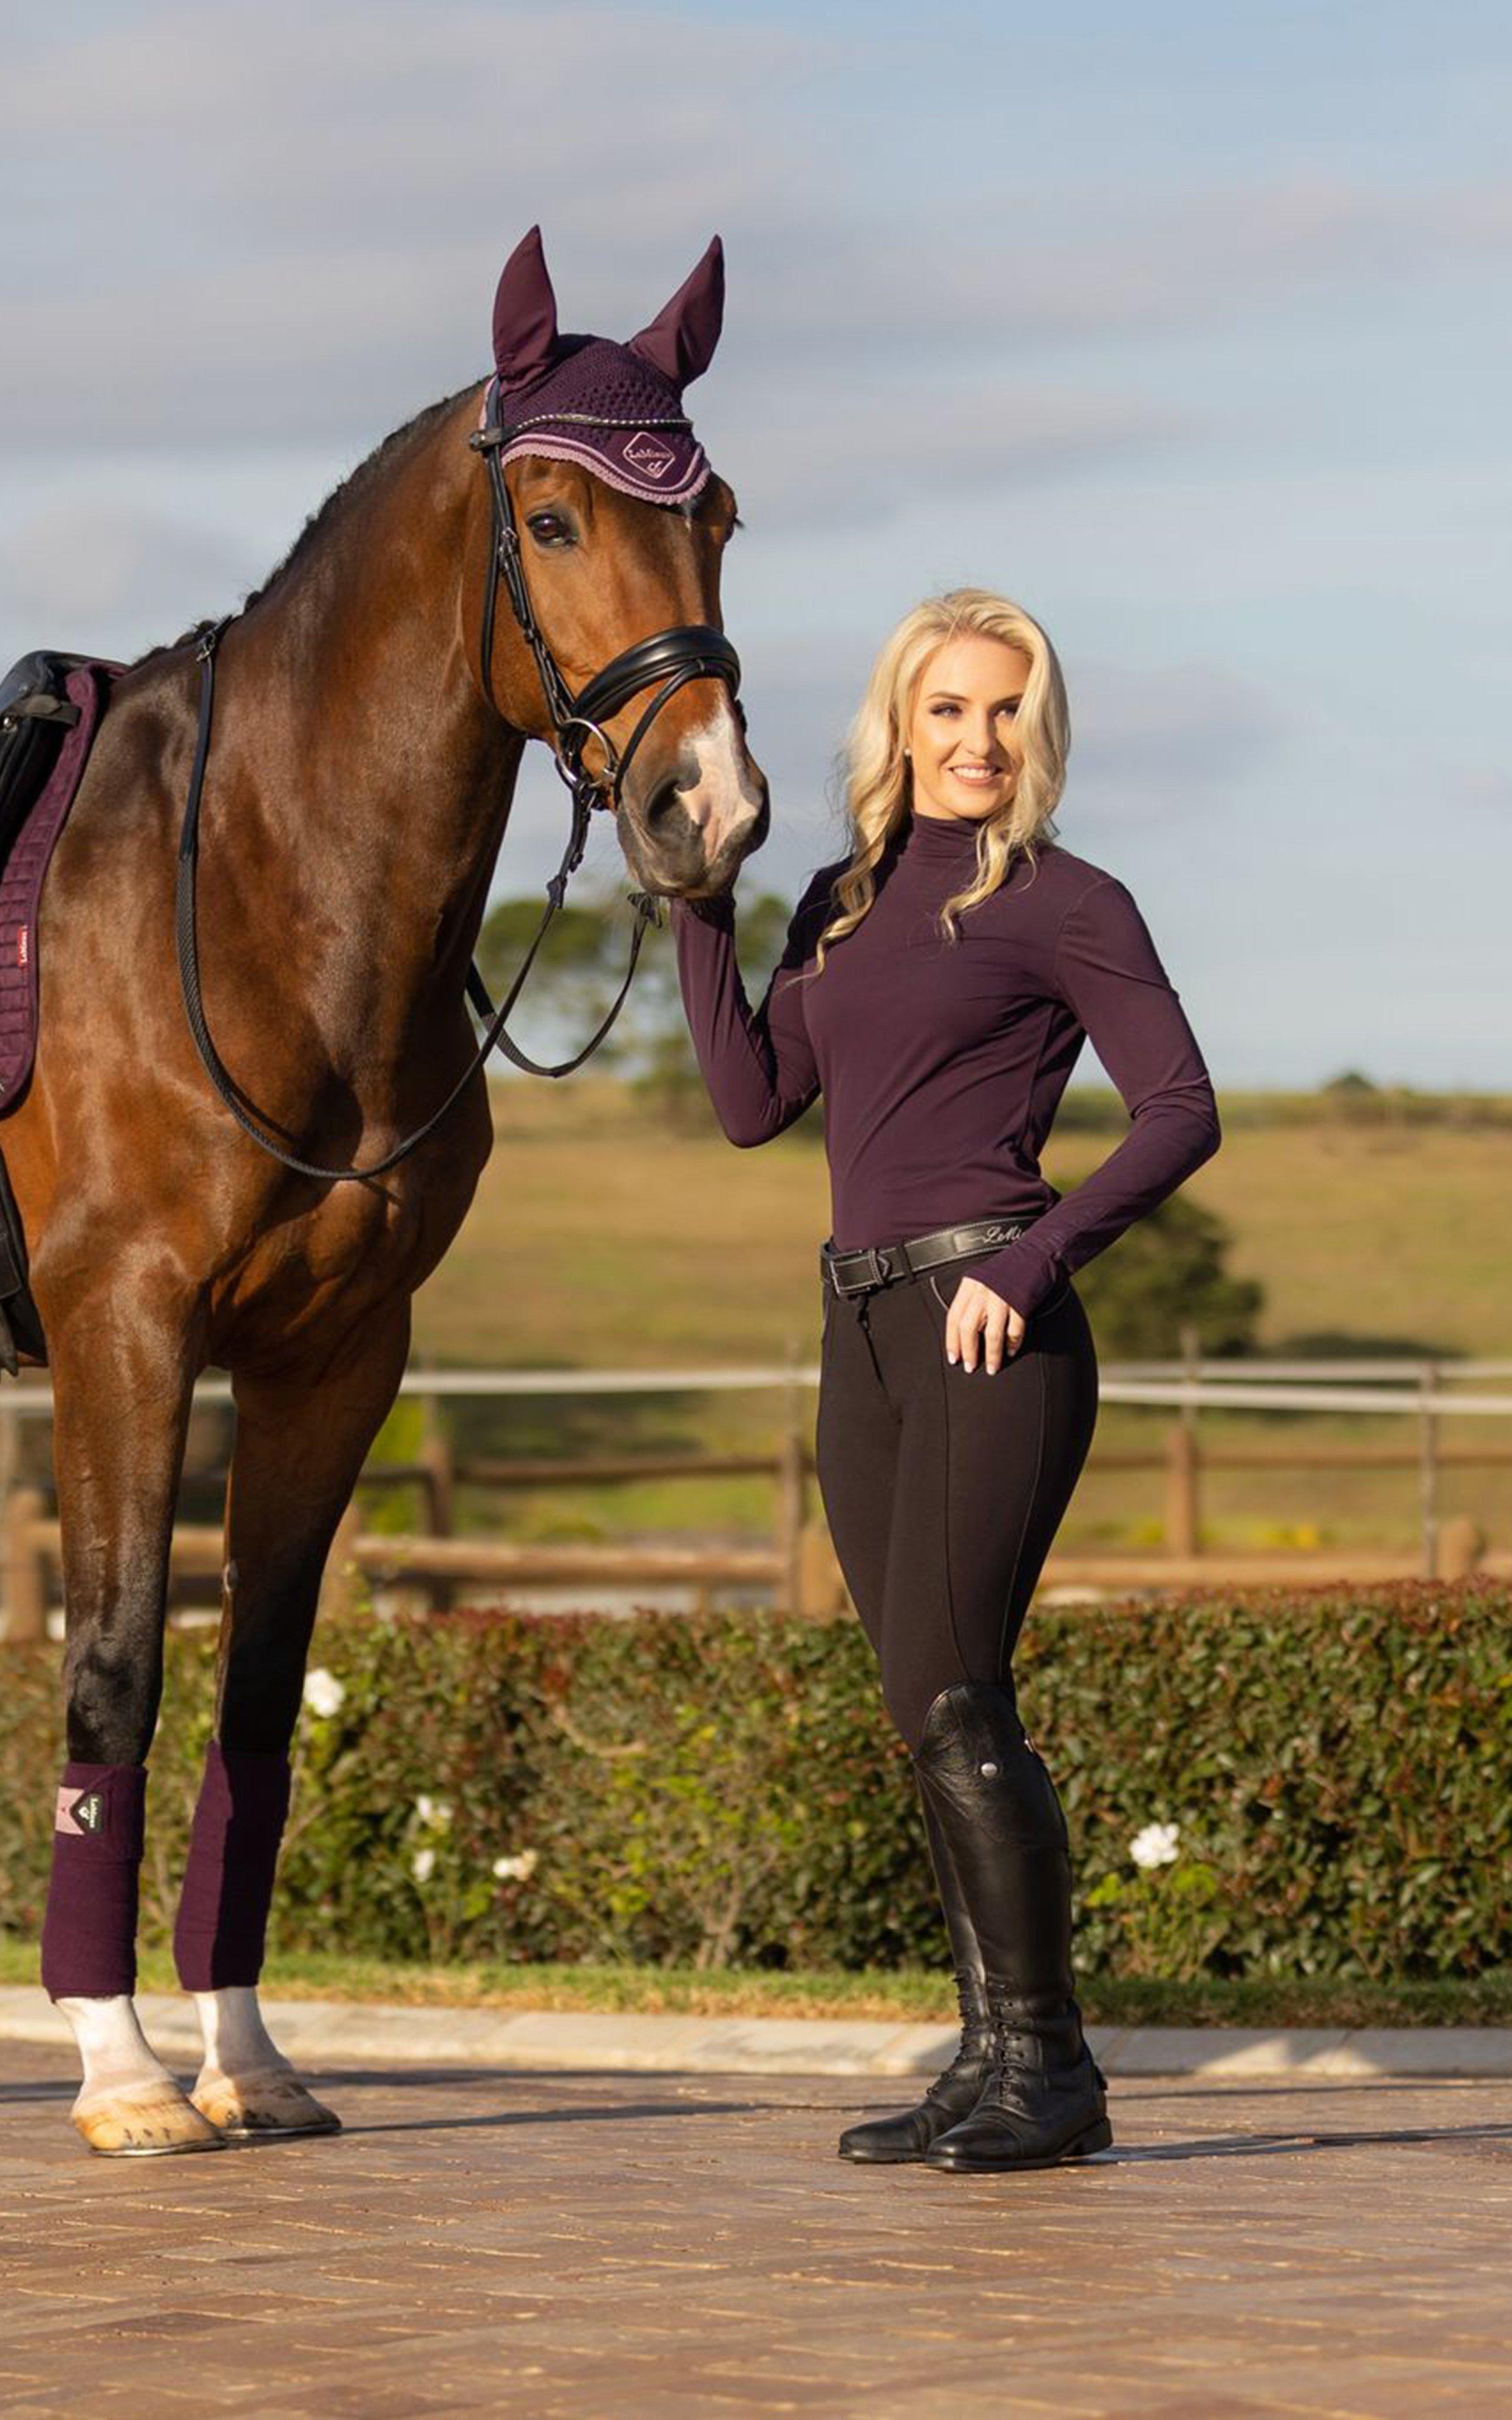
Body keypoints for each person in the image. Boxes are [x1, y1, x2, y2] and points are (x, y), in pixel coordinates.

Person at [676, 589, 1220, 2172]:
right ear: (898, 727)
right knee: (925, 1703)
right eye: (948, 711)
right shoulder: (841, 900)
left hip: (998, 1322)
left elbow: (1180, 1112)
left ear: (1033, 734)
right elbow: (748, 1099)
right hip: (861, 1333)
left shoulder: (1070, 902)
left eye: (1006, 712)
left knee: (966, 1695)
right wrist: (699, 905)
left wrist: (1030, 1267)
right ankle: (989, 2059)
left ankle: (1049, 2071)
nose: (978, 741)